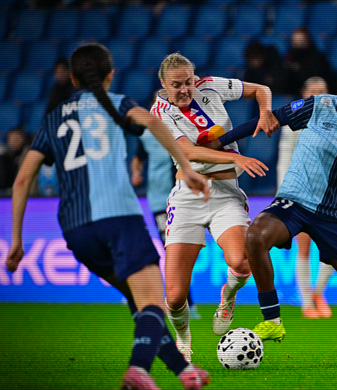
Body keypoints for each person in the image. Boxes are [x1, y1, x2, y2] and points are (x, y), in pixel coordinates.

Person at [5, 43, 211, 389]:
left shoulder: (52, 119)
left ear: (72, 78)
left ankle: (182, 371)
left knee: (140, 303)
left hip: (75, 229)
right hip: (119, 218)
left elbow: (22, 179)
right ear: (111, 75)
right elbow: (150, 120)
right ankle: (139, 370)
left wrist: (16, 239)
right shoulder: (118, 104)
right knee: (152, 303)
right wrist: (187, 167)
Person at [205, 63, 337, 367]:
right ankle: (272, 318)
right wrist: (221, 141)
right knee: (254, 236)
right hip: (295, 201)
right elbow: (271, 118)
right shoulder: (320, 105)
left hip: (336, 216)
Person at [150, 52, 279, 362]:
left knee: (241, 263)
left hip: (225, 195)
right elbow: (188, 152)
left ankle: (228, 296)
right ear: (164, 85)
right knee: (176, 296)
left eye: (188, 82)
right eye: (176, 85)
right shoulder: (159, 112)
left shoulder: (211, 87)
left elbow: (261, 89)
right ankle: (184, 341)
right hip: (187, 200)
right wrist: (235, 157)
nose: (184, 90)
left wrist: (265, 112)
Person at [276, 76, 337, 319]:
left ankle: (317, 292)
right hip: (300, 190)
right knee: (303, 246)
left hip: (330, 191)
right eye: (312, 91)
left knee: (334, 247)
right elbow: (284, 157)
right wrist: (285, 191)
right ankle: (306, 302)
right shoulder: (293, 121)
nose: (316, 95)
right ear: (303, 94)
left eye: (321, 91)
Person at [130, 115, 201, 320]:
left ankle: (184, 302)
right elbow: (138, 157)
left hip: (184, 197)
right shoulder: (146, 134)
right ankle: (183, 303)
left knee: (182, 250)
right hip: (160, 201)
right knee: (171, 248)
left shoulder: (182, 131)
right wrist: (136, 172)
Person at [280, 28, 337, 96]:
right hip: (297, 92)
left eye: (301, 40)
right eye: (295, 41)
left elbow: (318, 77)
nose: (298, 43)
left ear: (307, 40)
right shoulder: (290, 57)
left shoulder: (317, 57)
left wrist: (299, 69)